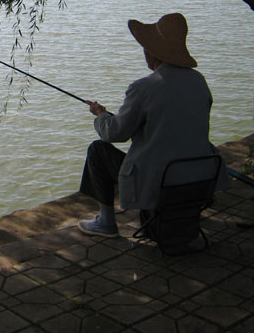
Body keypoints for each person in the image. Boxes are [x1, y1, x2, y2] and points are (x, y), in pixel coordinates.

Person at [78, 13, 231, 237]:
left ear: (152, 52)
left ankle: (106, 222)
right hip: (202, 176)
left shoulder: (143, 88)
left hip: (161, 179)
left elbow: (114, 133)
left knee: (97, 150)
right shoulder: (199, 81)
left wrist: (100, 115)